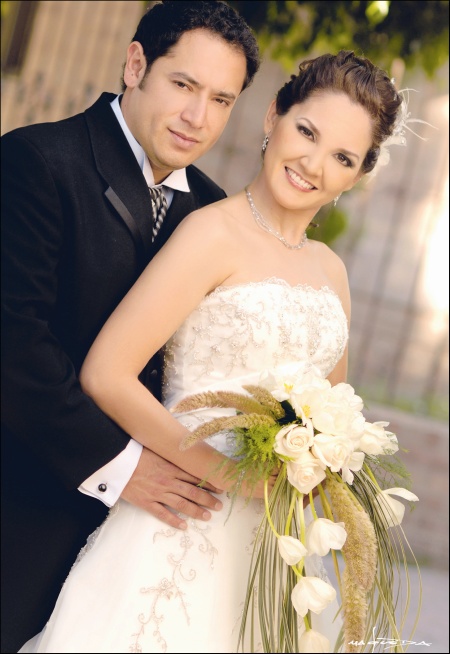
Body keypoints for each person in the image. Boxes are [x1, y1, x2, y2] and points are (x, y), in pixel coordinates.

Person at [15, 50, 409, 653]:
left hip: (270, 549)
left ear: (356, 177)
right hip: (178, 520)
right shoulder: (208, 230)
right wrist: (221, 473)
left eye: (342, 158)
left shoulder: (334, 274)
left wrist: (318, 472)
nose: (312, 163)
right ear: (274, 116)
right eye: (307, 131)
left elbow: (334, 411)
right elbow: (106, 373)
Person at [0, 2, 261, 652]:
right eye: (184, 85)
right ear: (136, 63)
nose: (197, 117)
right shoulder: (35, 161)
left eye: (221, 100)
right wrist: (121, 465)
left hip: (137, 546)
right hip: (22, 506)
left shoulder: (213, 212)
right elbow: (15, 343)